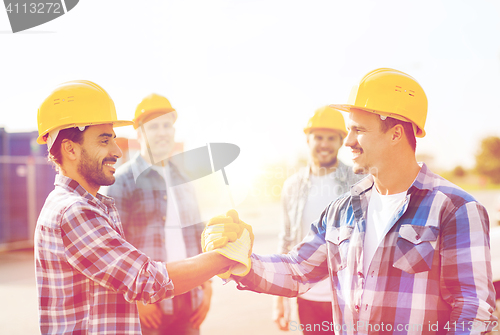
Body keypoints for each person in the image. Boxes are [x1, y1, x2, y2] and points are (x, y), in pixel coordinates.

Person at [204, 68, 497, 334]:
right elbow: (298, 269)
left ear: (396, 134)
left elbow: (474, 309)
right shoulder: (342, 209)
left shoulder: (455, 209)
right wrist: (243, 262)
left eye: (359, 130)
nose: (348, 142)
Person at [34, 80, 249, 335]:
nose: (116, 150)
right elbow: (143, 279)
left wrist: (206, 281)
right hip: (153, 305)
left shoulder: (86, 204)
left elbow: (192, 233)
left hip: (184, 300)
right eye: (104, 141)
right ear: (70, 149)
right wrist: (226, 257)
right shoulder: (74, 212)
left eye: (113, 139)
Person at [103, 93, 212, 335]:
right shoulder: (122, 181)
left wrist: (208, 287)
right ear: (140, 134)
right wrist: (135, 300)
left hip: (188, 300)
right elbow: (112, 248)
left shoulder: (185, 179)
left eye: (166, 125)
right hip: (148, 304)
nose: (162, 132)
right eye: (153, 127)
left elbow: (199, 236)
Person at [273, 106, 362, 334]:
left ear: (342, 140)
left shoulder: (359, 180)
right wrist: (279, 299)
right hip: (308, 295)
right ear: (308, 139)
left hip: (350, 295)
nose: (324, 144)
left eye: (332, 138)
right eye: (319, 137)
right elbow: (286, 241)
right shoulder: (292, 186)